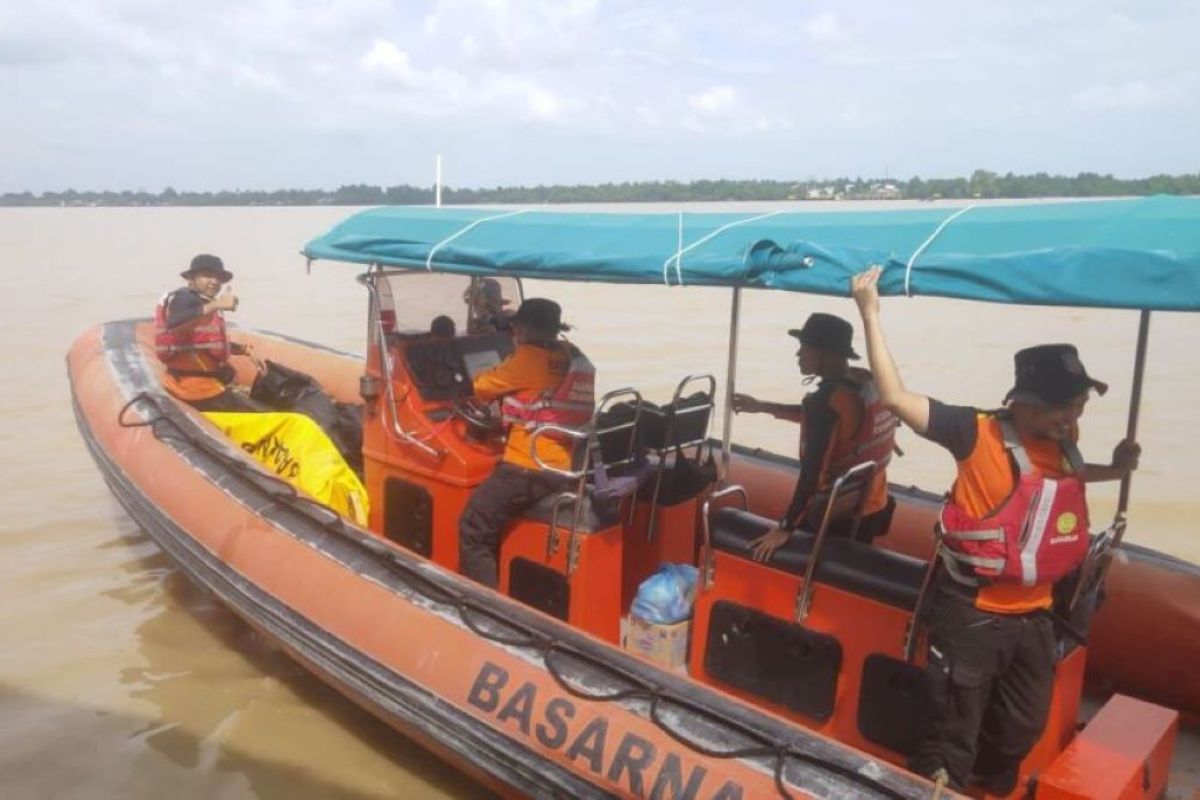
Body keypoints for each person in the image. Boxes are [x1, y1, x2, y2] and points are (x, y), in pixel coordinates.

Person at [849, 265, 1140, 793]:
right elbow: (894, 396)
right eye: (1062, 406)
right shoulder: (973, 431)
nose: (1072, 416)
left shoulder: (1066, 443)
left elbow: (1064, 481)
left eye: (1078, 406)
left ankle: (978, 777)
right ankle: (938, 779)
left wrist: (1117, 470)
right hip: (973, 615)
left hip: (1035, 615)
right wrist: (869, 311)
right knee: (950, 731)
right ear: (1023, 403)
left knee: (1022, 725)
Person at [732, 313, 898, 561]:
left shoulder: (826, 402)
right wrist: (762, 406)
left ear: (825, 355)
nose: (798, 355)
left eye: (804, 348)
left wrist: (786, 526)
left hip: (838, 513)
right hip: (873, 503)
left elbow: (811, 472)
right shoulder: (867, 383)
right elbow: (832, 421)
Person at [458, 298, 595, 586]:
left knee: (473, 526)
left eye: (517, 326)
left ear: (524, 328)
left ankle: (486, 607)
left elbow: (481, 387)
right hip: (567, 462)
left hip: (528, 467)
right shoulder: (571, 354)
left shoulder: (527, 358)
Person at [154, 254, 264, 412]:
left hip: (197, 384)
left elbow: (201, 342)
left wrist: (244, 350)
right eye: (207, 276)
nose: (214, 282)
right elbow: (176, 325)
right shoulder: (184, 299)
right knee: (275, 417)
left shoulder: (200, 302)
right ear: (191, 278)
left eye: (218, 277)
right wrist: (216, 305)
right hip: (195, 390)